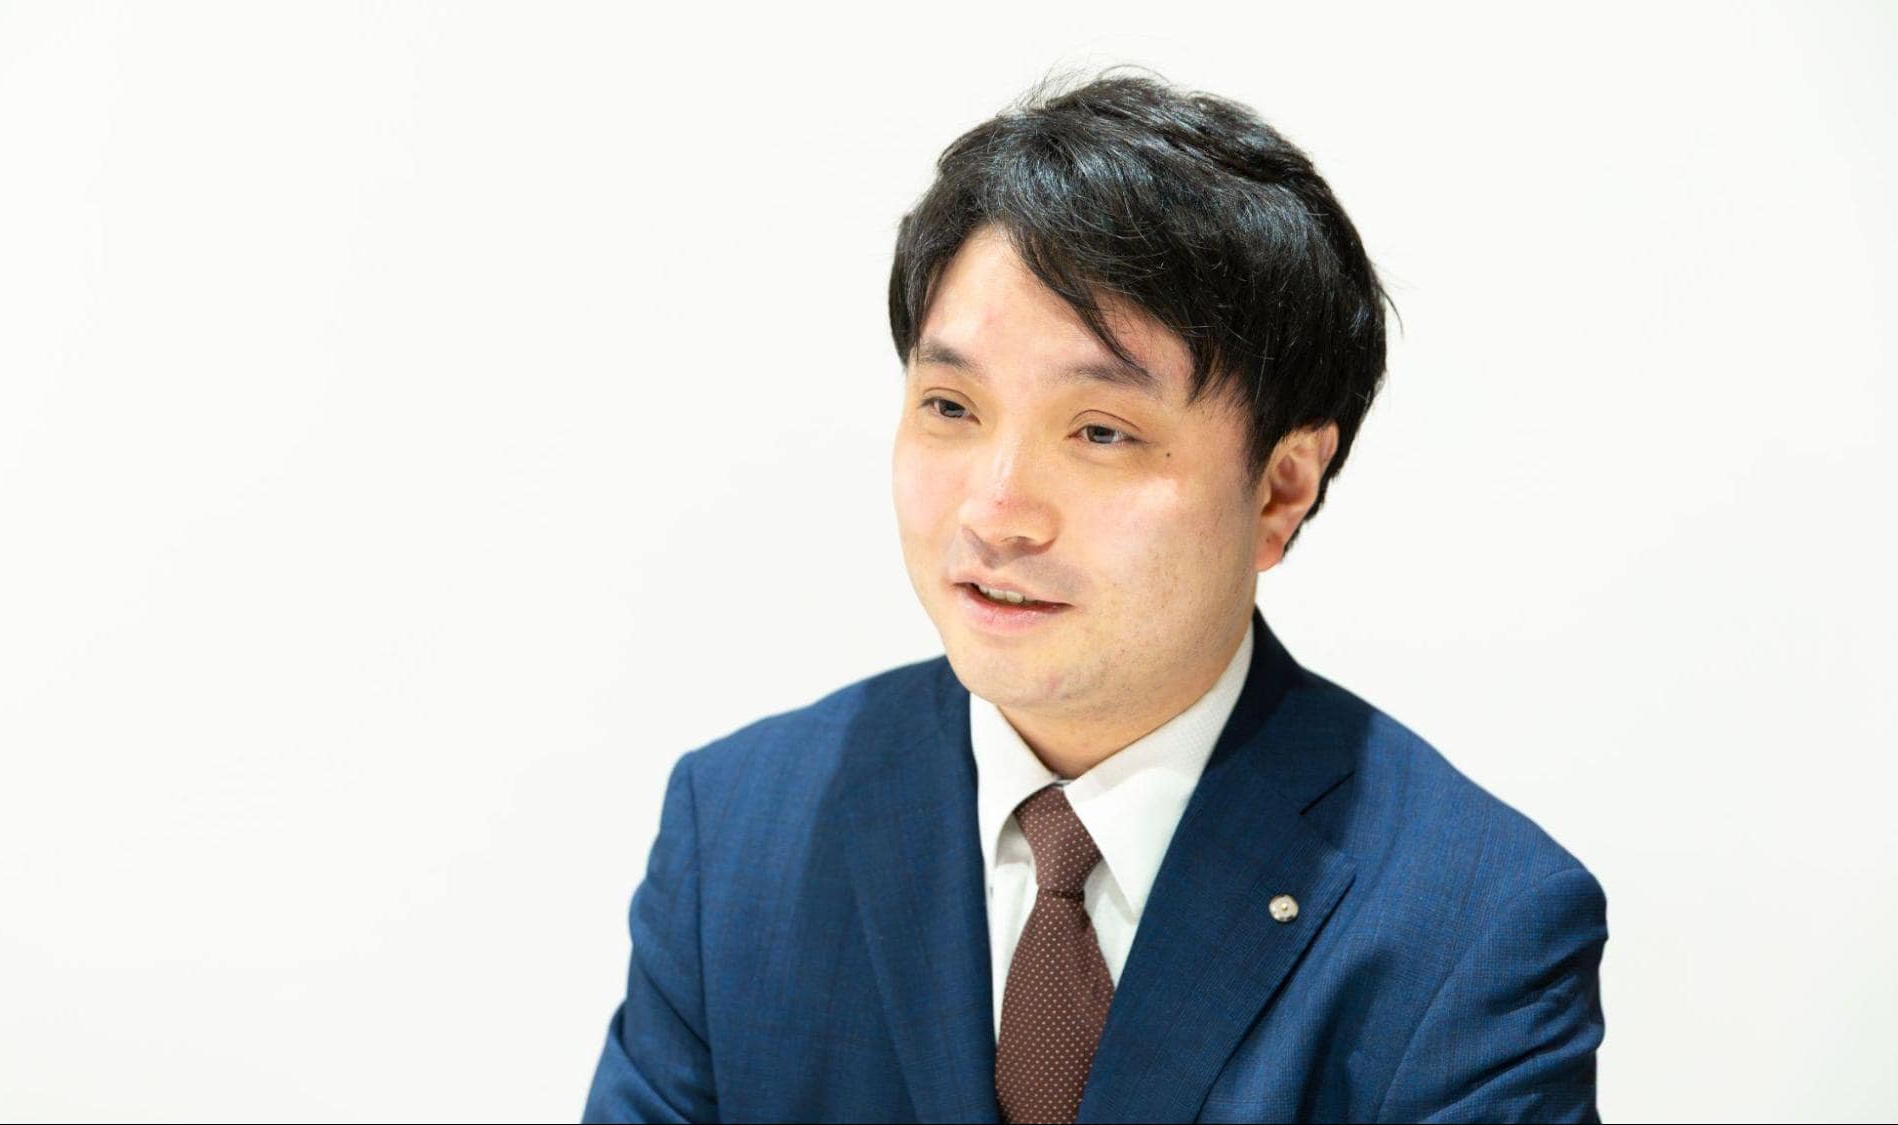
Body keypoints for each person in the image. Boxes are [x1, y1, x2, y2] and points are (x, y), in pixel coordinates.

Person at [583, 67, 1607, 1124]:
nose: (995, 512)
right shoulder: (738, 832)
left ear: (1279, 487)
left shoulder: (1473, 927)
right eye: (949, 406)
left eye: (1101, 431)